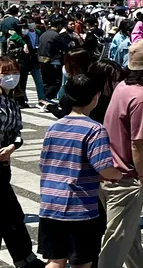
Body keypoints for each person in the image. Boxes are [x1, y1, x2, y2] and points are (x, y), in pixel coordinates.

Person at [38, 75, 121, 268]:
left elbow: (43, 164)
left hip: (50, 204)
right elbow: (104, 168)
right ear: (96, 97)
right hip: (80, 208)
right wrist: (118, 175)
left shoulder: (53, 127)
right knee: (81, 262)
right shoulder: (94, 129)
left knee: (55, 261)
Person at [97, 40, 143, 268]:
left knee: (129, 237)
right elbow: (138, 142)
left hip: (108, 171)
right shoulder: (142, 97)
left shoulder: (122, 87)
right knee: (116, 240)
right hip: (125, 178)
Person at [0, 56, 41, 268]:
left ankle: (24, 258)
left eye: (14, 73)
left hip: (4, 165)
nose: (11, 77)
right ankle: (25, 259)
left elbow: (17, 132)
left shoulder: (13, 101)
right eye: (5, 73)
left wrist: (13, 146)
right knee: (12, 214)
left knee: (11, 216)